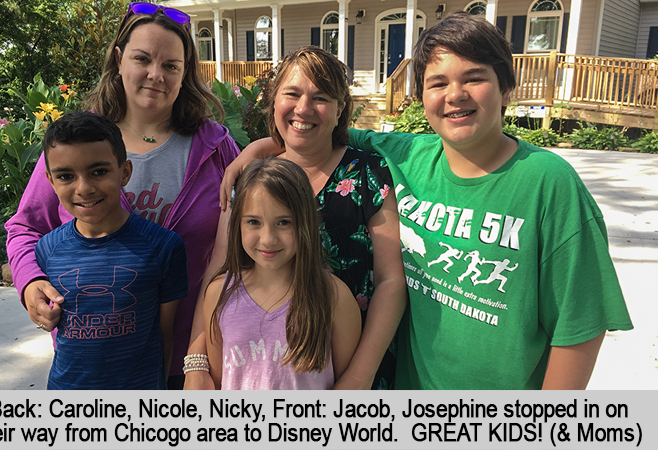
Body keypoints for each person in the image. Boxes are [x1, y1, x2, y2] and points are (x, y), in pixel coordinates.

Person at [226, 13, 633, 389]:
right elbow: (315, 133)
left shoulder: (549, 183)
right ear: (422, 96)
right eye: (438, 83)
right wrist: (259, 149)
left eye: (474, 78)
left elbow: (580, 326)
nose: (455, 95)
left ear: (507, 87)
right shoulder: (408, 156)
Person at [5, 1, 240, 389]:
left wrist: (258, 150)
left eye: (170, 65)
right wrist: (30, 282)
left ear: (185, 73)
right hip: (99, 361)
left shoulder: (215, 148)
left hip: (192, 357)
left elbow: (255, 215)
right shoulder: (80, 145)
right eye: (142, 58)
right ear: (118, 59)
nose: (155, 74)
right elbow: (24, 227)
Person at [198, 46, 406, 390]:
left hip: (354, 363)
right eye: (291, 94)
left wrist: (358, 377)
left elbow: (390, 281)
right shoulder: (251, 178)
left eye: (321, 97)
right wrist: (196, 361)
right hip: (264, 363)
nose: (303, 108)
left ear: (341, 109)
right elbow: (219, 273)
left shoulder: (369, 175)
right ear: (274, 101)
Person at [36, 111, 187, 389]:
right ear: (50, 180)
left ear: (125, 172)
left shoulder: (163, 247)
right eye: (66, 176)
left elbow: (166, 335)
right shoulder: (48, 249)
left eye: (99, 171)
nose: (84, 188)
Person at [204, 157, 361, 389]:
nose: (268, 239)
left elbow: (346, 385)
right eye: (254, 222)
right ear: (237, 223)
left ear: (305, 222)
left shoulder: (334, 296)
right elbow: (216, 381)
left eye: (284, 222)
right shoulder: (219, 293)